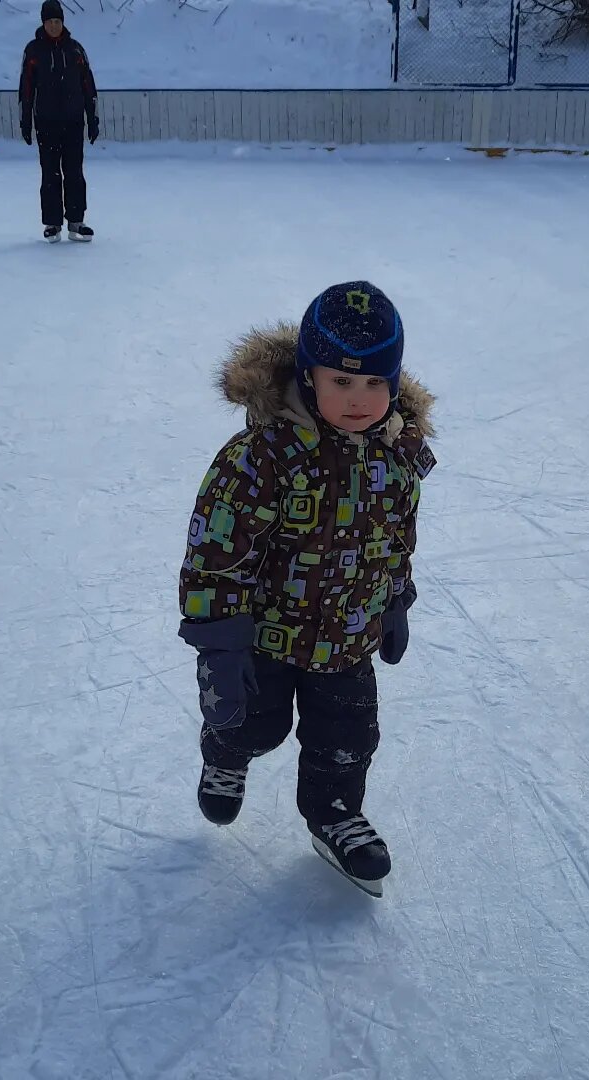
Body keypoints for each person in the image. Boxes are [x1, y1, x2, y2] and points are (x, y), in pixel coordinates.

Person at [177, 282, 437, 896]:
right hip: (266, 638)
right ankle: (225, 753)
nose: (359, 399)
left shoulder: (398, 453)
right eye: (341, 381)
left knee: (348, 738)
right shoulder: (262, 457)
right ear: (308, 375)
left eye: (376, 383)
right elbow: (215, 553)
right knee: (253, 726)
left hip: (348, 637)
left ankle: (335, 813)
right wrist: (221, 646)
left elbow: (398, 530)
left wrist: (397, 596)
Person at [19, 0, 100, 243]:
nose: (54, 26)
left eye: (57, 21)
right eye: (50, 21)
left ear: (63, 22)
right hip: (46, 122)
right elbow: (26, 88)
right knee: (50, 174)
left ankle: (76, 221)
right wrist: (26, 120)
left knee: (74, 172)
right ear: (43, 23)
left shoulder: (75, 50)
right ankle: (52, 224)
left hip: (74, 122)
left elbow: (88, 85)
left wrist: (92, 117)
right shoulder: (34, 51)